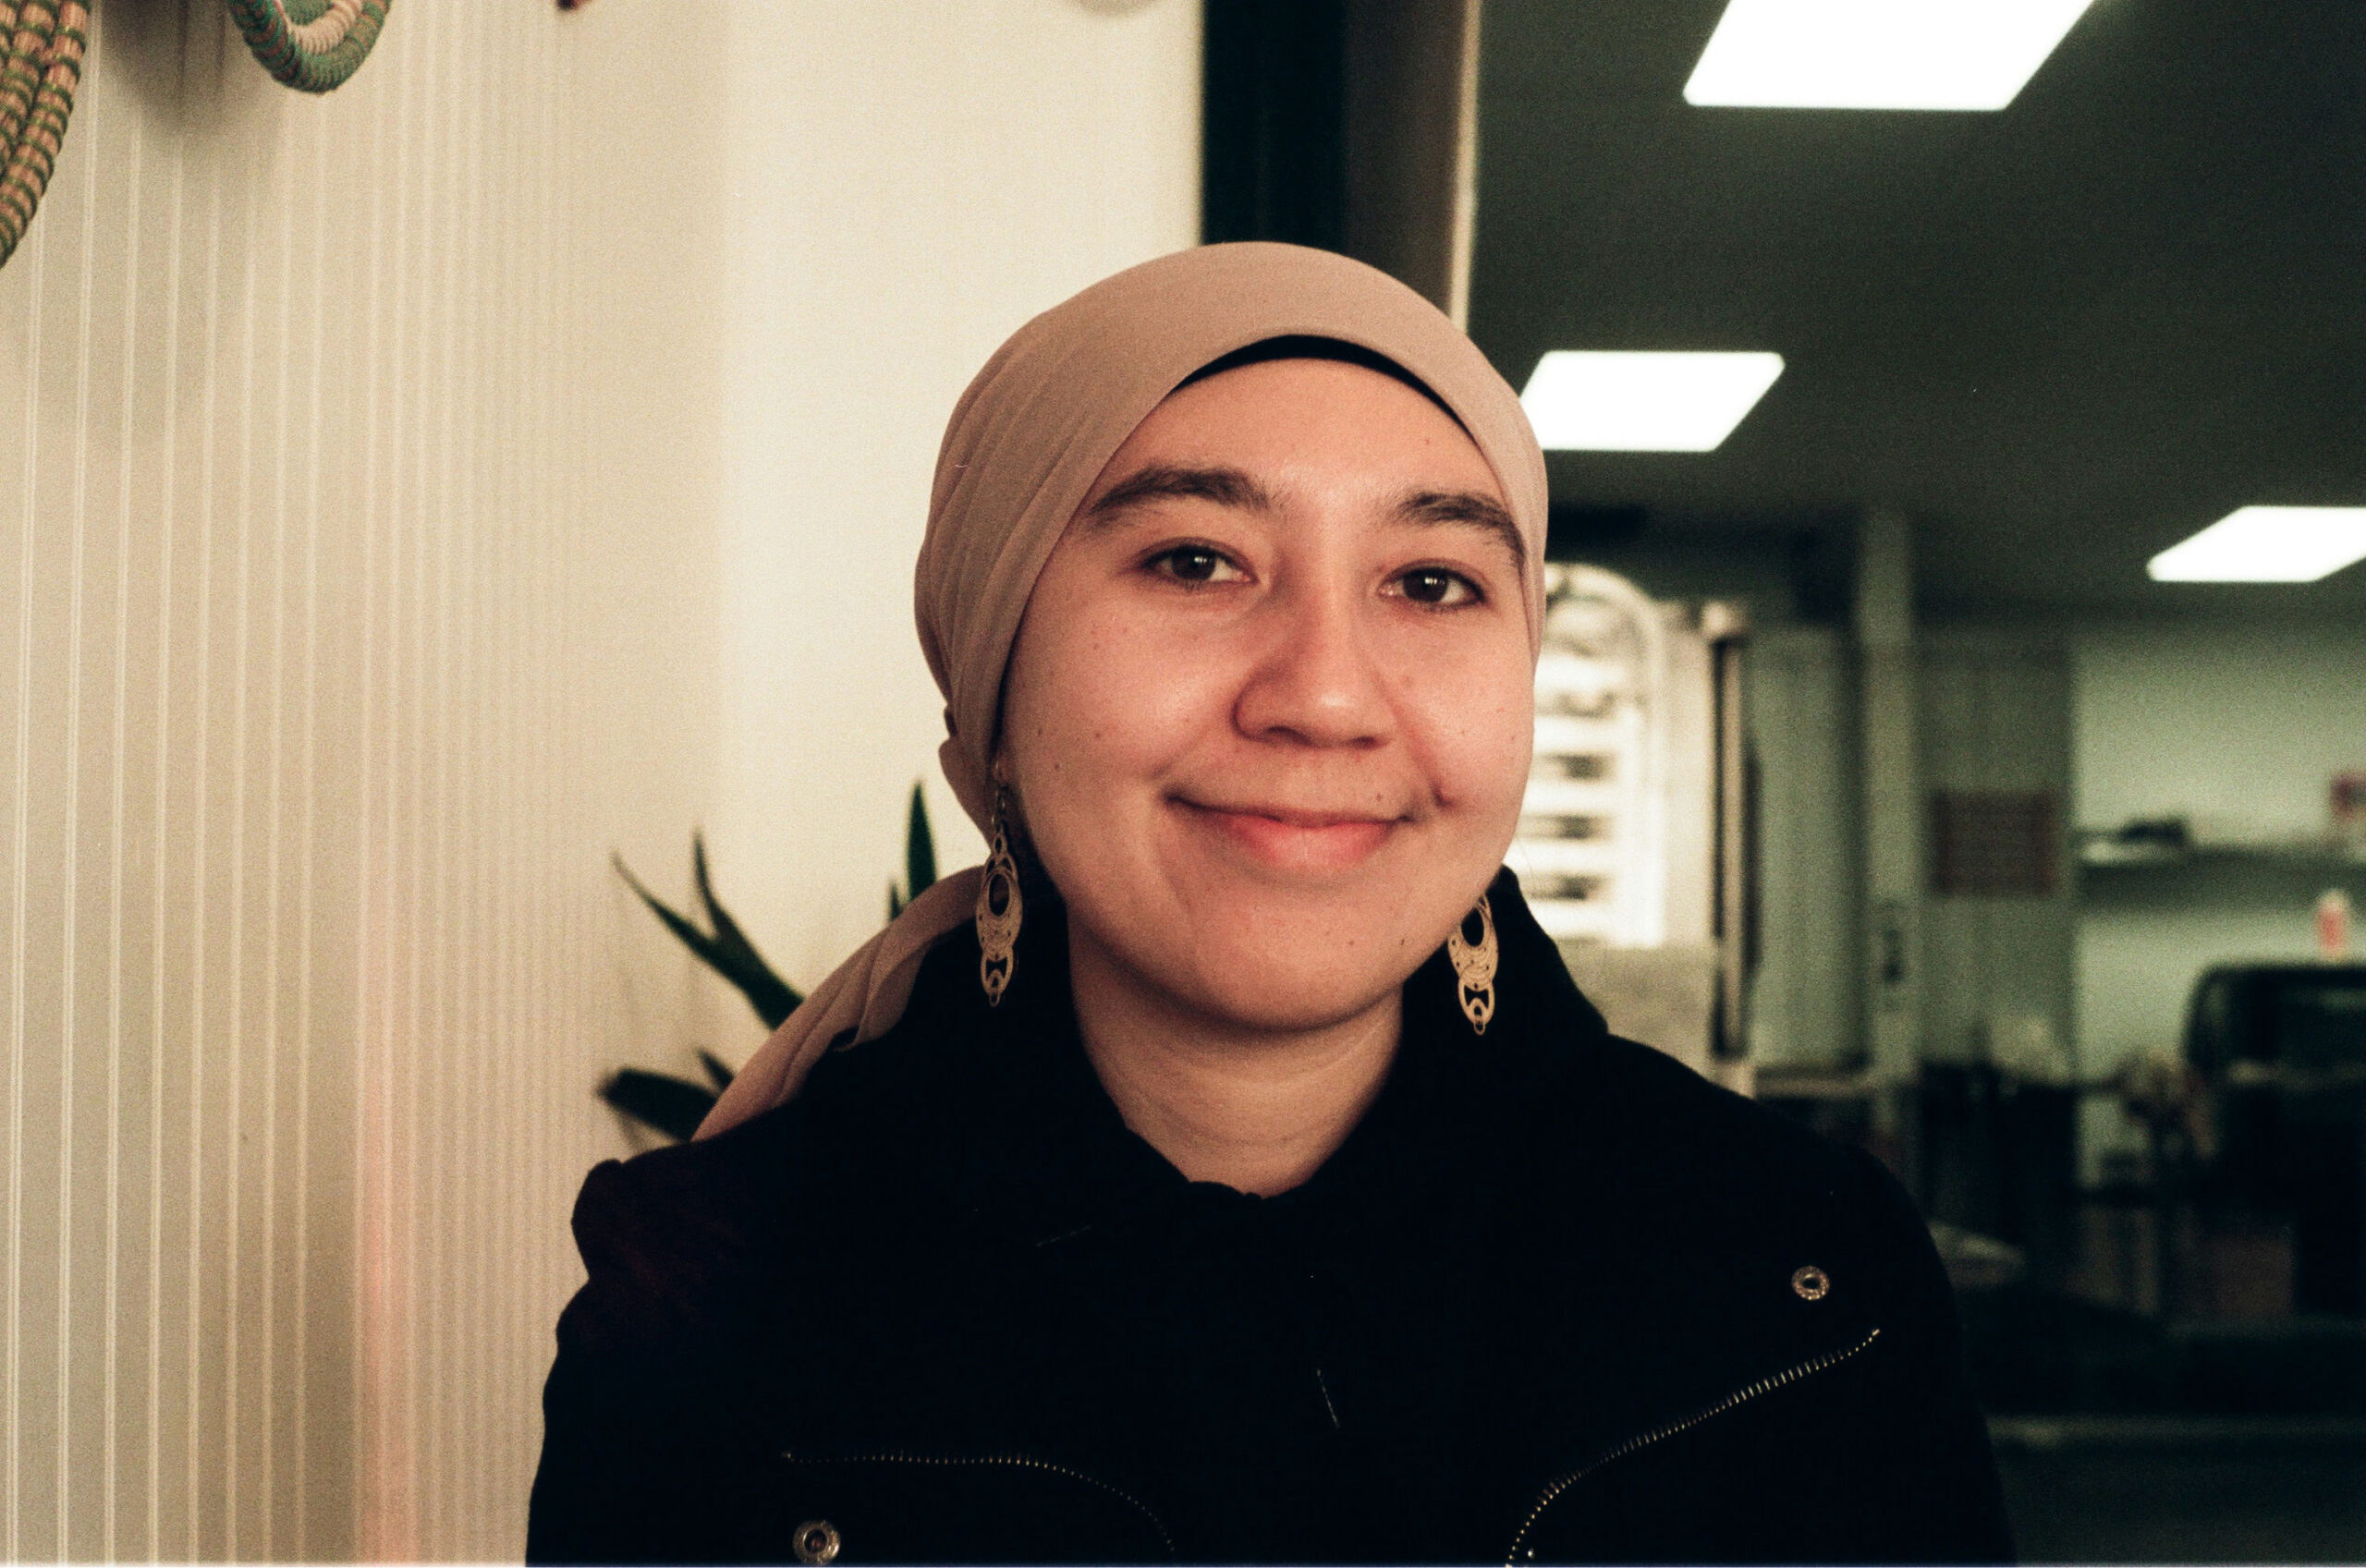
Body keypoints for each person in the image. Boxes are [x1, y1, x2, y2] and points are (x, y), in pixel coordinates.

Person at [526, 243, 2012, 1566]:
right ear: (990, 696)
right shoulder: (719, 1306)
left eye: (1430, 582)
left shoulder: (1802, 1274)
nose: (1321, 692)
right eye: (1194, 558)